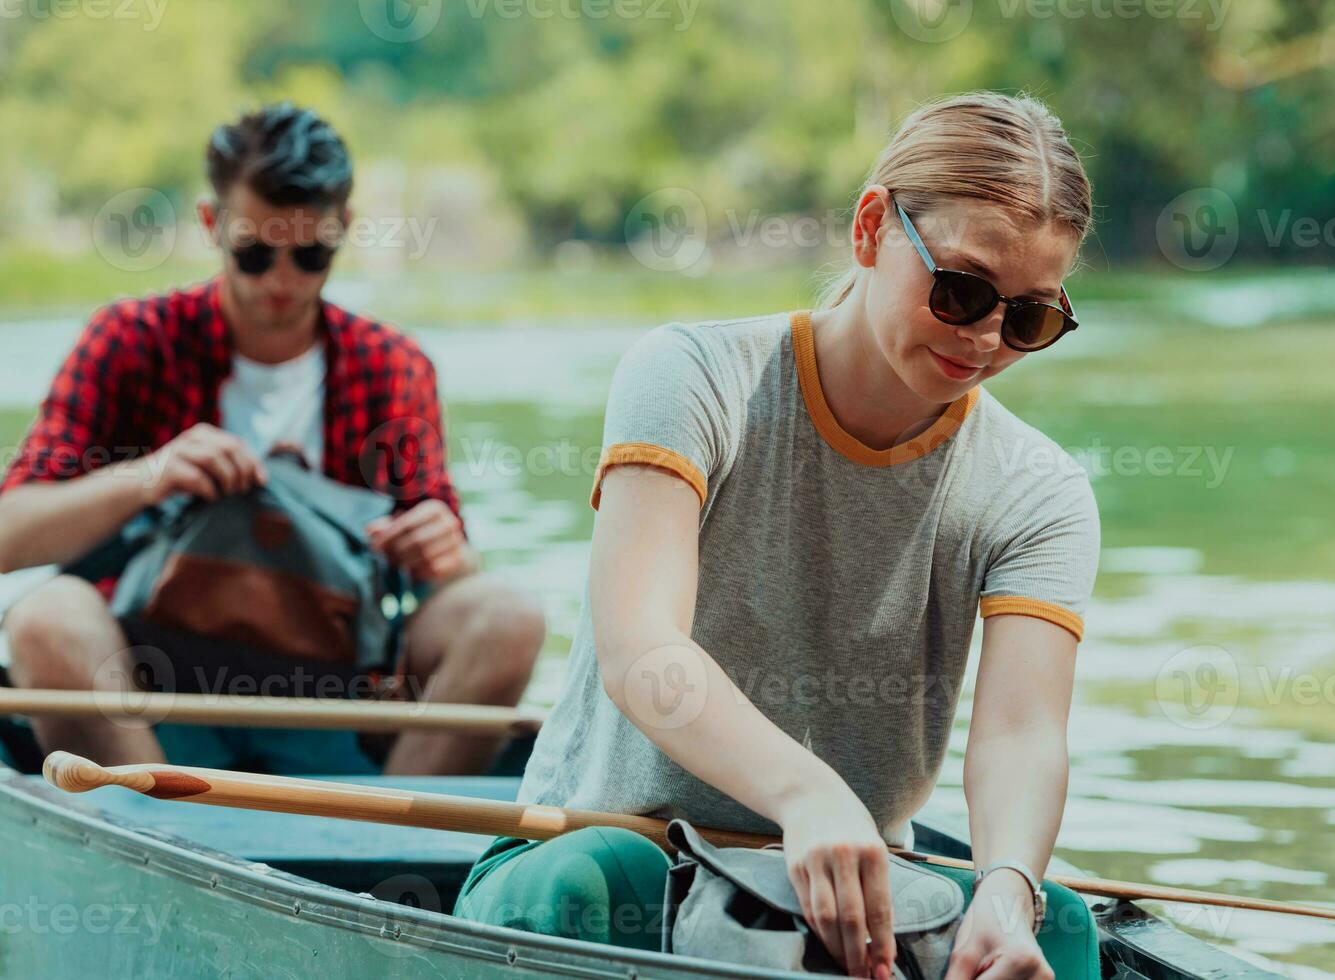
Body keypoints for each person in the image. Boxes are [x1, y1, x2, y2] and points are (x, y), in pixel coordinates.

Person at [455, 91, 1102, 980]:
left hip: (852, 897)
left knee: (1057, 929)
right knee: (599, 881)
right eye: (960, 291)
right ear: (871, 228)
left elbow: (1020, 735)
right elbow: (640, 648)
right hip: (609, 855)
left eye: (1030, 318)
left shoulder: (1042, 491)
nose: (988, 338)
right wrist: (805, 793)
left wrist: (1009, 888)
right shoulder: (690, 375)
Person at [0, 104, 545, 777]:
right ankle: (151, 834)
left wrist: (444, 551)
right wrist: (150, 475)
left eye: (310, 255)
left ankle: (382, 855)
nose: (282, 282)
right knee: (43, 617)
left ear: (344, 230)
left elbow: (453, 571)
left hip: (338, 675)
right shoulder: (132, 340)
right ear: (212, 225)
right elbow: (8, 535)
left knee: (509, 617)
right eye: (254, 254)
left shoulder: (392, 366)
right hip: (142, 677)